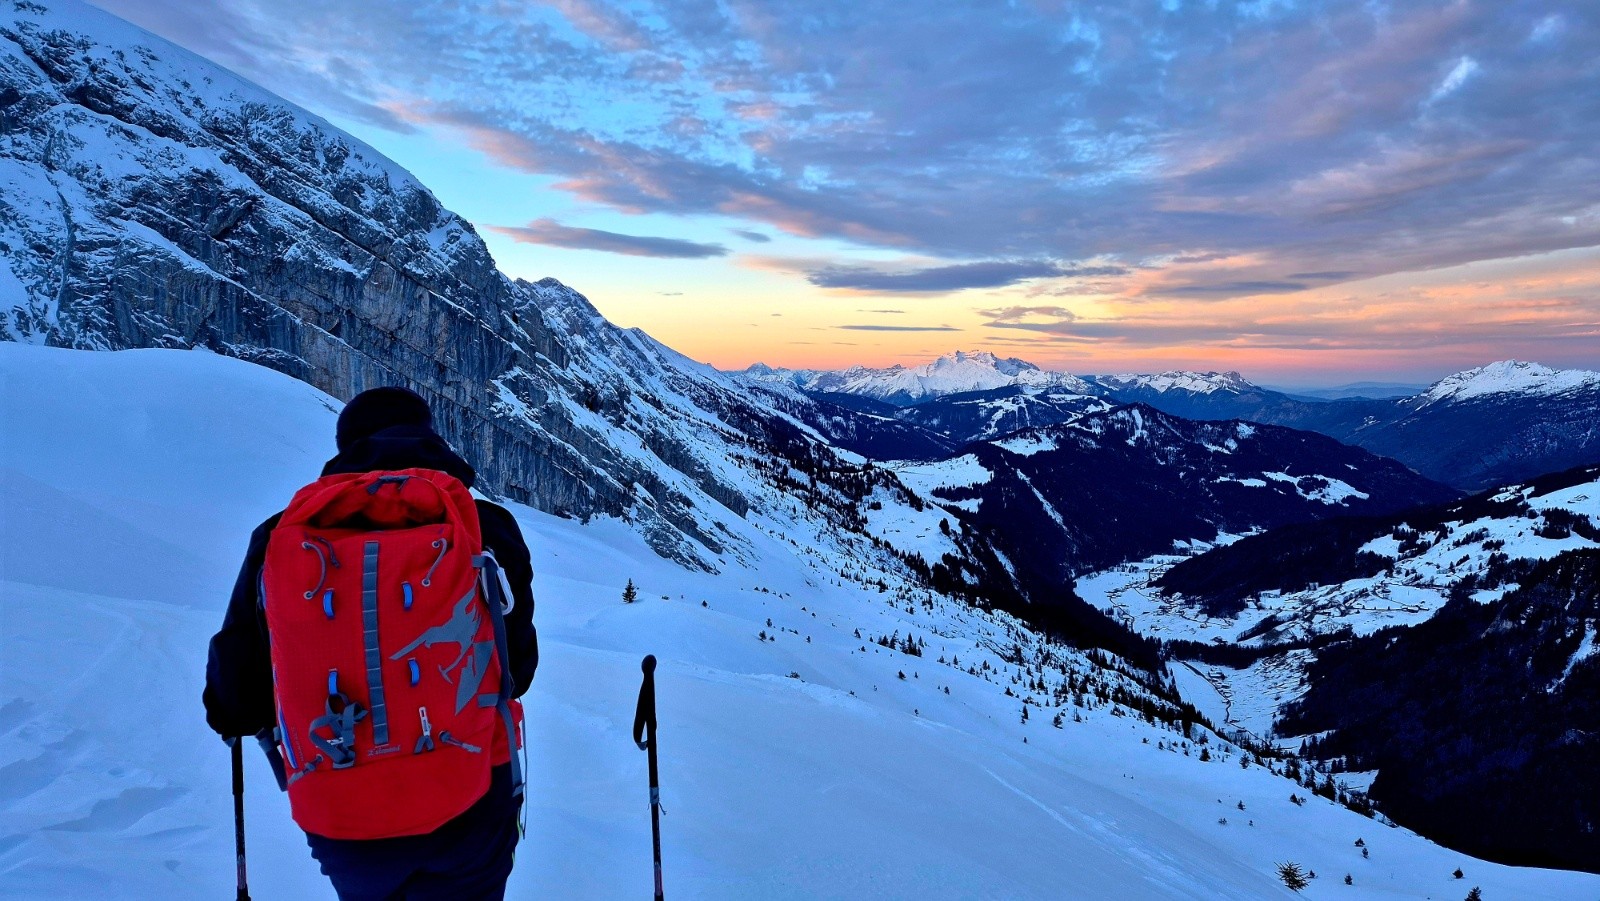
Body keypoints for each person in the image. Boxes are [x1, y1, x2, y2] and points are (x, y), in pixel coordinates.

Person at [204, 386, 537, 900]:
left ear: (345, 448)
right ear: (429, 436)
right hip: (470, 794)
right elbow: (521, 667)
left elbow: (235, 700)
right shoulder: (485, 525)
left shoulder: (282, 535)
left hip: (341, 808)